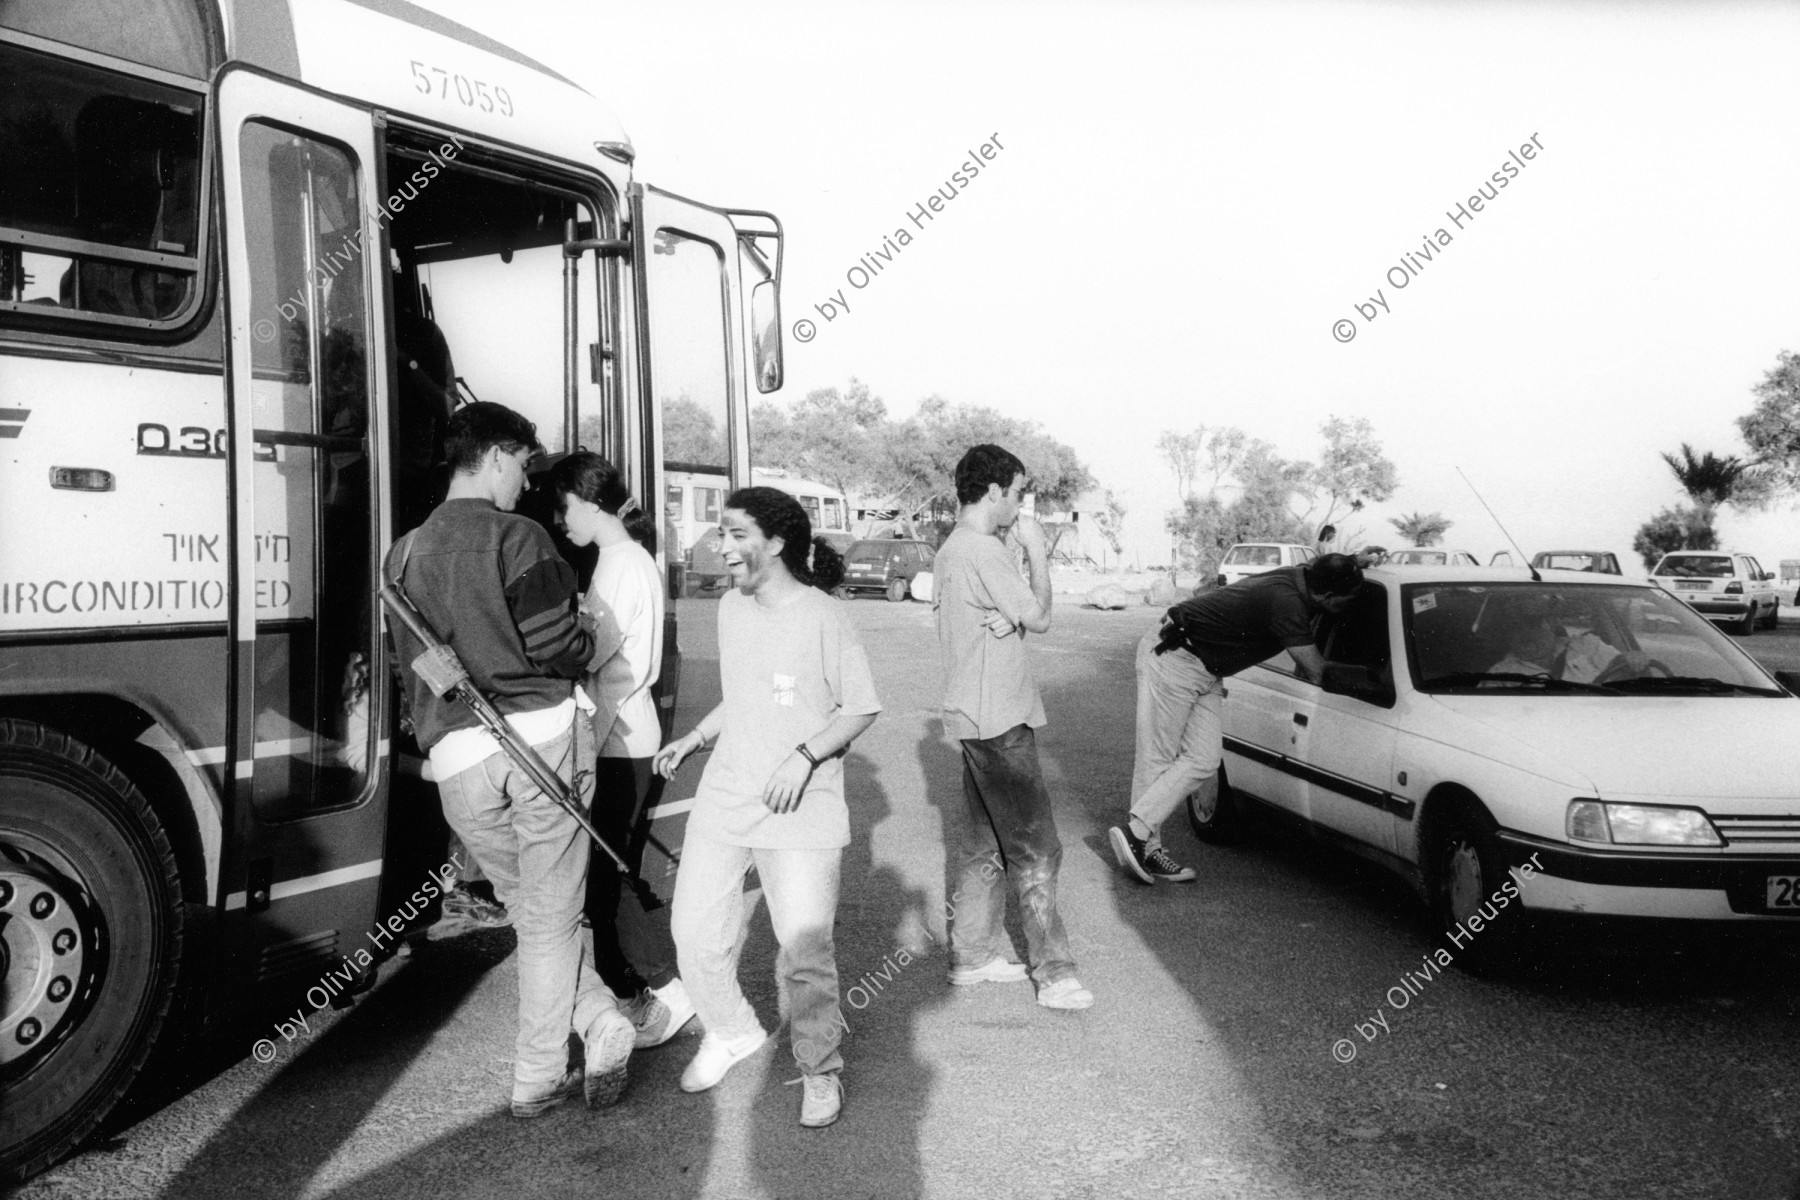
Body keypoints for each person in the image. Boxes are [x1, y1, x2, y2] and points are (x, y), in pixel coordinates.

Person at [383, 402, 635, 1118]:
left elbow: (416, 670)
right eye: (525, 463)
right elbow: (558, 643)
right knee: (554, 918)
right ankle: (537, 1077)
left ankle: (598, 1018)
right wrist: (587, 637)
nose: (527, 482)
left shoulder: (400, 554)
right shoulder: (518, 538)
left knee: (528, 910)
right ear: (495, 454)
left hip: (459, 758)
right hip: (544, 742)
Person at [653, 487, 878, 1129]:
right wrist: (696, 737)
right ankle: (731, 1031)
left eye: (735, 535)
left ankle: (819, 1070)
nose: (721, 548)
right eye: (720, 535)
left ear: (775, 544)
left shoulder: (824, 616)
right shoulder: (729, 607)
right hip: (727, 795)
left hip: (801, 806)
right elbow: (746, 696)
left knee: (803, 953)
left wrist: (803, 758)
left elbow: (859, 706)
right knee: (692, 932)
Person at [932, 444, 1093, 1011]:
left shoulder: (956, 549)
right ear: (995, 491)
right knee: (1037, 848)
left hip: (974, 715)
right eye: (1019, 492)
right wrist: (1036, 551)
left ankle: (972, 957)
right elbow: (1042, 618)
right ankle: (1055, 974)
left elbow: (1000, 617)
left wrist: (1008, 616)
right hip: (1000, 719)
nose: (1021, 504)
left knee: (983, 844)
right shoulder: (987, 551)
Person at [547, 451, 696, 1050]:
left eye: (563, 508)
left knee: (608, 875)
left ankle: (657, 992)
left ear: (587, 501)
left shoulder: (619, 567)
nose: (560, 521)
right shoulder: (624, 559)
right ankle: (641, 989)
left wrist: (577, 743)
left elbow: (599, 665)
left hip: (617, 742)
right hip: (627, 739)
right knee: (612, 871)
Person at [1109, 553, 1365, 885]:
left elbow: (1331, 565)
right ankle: (1144, 846)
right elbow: (1314, 670)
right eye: (1346, 601)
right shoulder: (1287, 602)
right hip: (1174, 657)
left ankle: (1137, 834)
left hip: (1205, 666)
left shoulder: (1304, 576)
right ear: (1327, 596)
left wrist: (1359, 560)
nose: (1348, 608)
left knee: (1204, 759)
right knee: (1157, 758)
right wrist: (1367, 677)